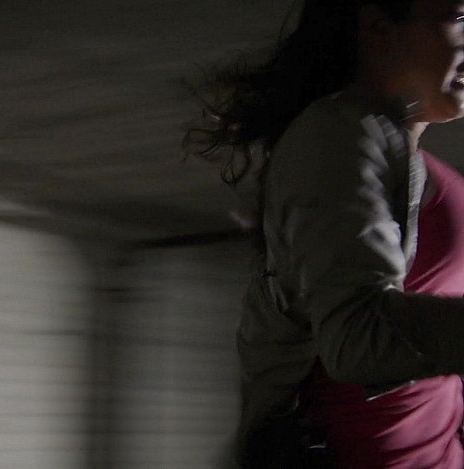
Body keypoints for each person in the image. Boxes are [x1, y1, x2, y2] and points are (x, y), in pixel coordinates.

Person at [185, 0, 464, 467]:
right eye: (459, 19)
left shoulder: (431, 174)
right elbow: (358, 337)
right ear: (377, 26)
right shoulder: (333, 134)